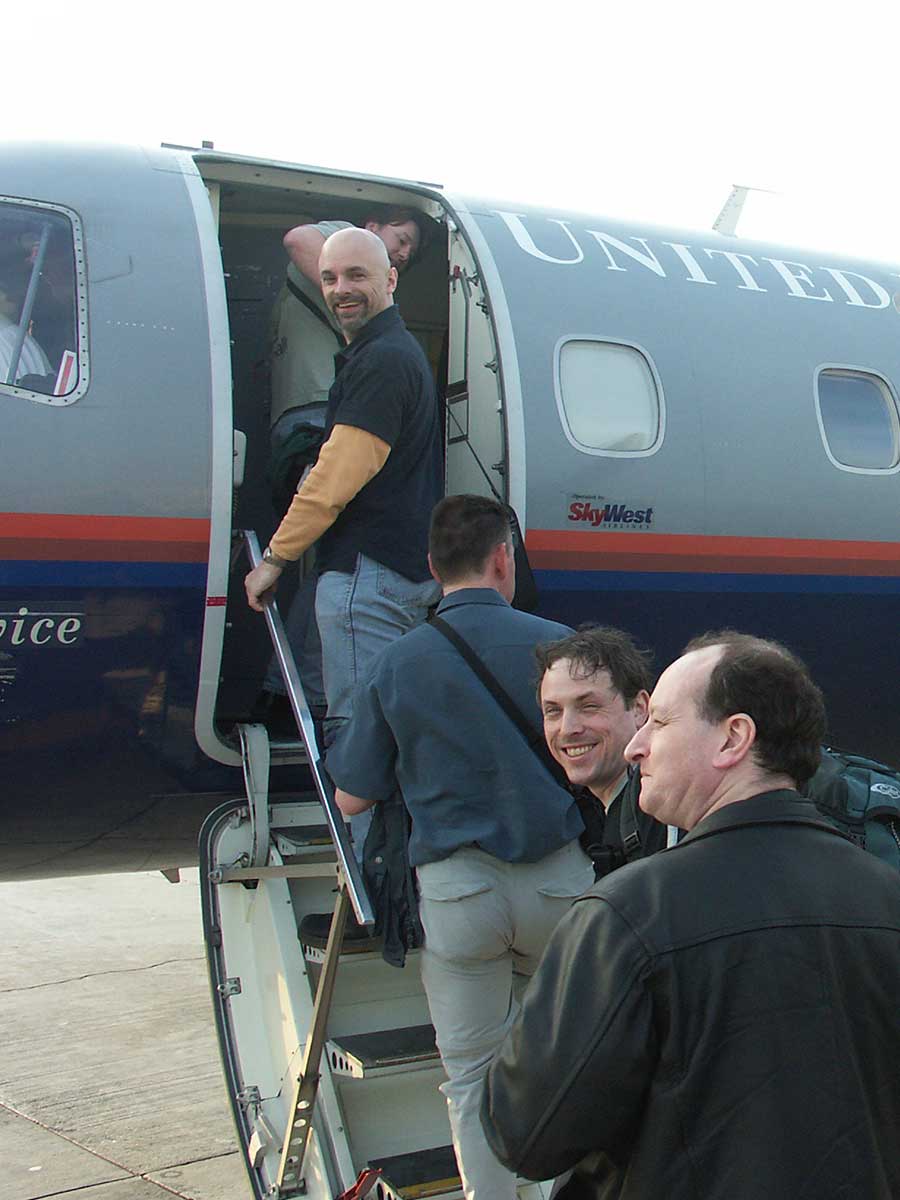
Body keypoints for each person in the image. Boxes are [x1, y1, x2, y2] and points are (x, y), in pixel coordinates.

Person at [482, 630, 900, 1200]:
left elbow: (526, 1135)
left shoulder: (626, 916)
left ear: (733, 739)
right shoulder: (885, 895)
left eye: (659, 722)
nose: (636, 747)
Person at [328, 494, 594, 1200]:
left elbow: (350, 797)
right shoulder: (562, 649)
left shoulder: (398, 662)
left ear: (431, 566)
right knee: (564, 1062)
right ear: (504, 558)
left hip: (459, 893)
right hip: (558, 887)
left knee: (472, 1078)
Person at [245, 227, 443, 783]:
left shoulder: (381, 361)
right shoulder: (391, 353)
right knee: (376, 734)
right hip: (386, 570)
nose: (340, 289)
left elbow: (336, 476)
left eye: (357, 275)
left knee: (360, 744)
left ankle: (364, 840)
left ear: (391, 279)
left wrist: (275, 559)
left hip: (366, 577)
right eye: (329, 278)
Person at [537, 627, 668, 872]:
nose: (567, 729)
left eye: (588, 706)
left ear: (639, 708)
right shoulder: (631, 811)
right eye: (553, 711)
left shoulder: (666, 811)